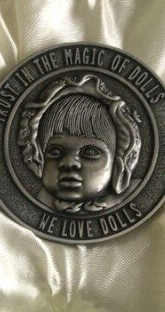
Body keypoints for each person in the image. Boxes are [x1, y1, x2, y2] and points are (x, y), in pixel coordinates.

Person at [18, 74, 142, 213]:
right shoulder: (37, 201)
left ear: (118, 163)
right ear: (39, 157)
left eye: (90, 152)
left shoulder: (135, 194)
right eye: (55, 151)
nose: (69, 163)